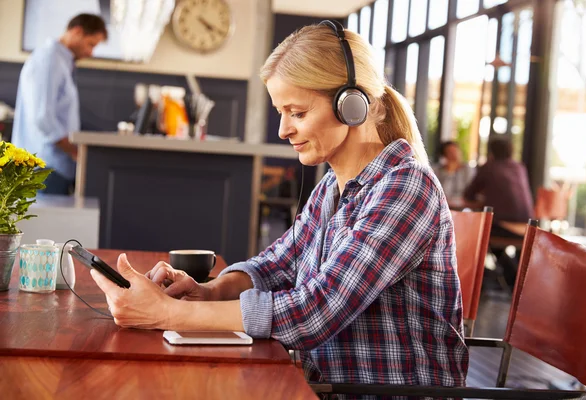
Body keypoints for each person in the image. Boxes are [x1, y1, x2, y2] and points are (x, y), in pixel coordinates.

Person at [90, 21, 468, 392]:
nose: (283, 130)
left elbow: (317, 310)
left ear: (353, 106)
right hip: (321, 385)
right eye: (281, 112)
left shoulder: (406, 186)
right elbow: (276, 266)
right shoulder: (331, 190)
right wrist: (209, 292)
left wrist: (169, 314)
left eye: (298, 113)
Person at [12, 14, 107, 195]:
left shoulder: (62, 61)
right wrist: (76, 152)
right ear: (77, 32)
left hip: (51, 168)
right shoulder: (49, 60)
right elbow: (43, 119)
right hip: (44, 167)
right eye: (91, 44)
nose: (91, 53)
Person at [464, 138, 534, 287]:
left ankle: (497, 280)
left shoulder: (489, 167)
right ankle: (512, 279)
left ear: (492, 152)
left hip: (504, 225)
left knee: (477, 235)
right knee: (492, 240)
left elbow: (469, 194)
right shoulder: (519, 167)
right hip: (528, 226)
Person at [433, 141, 474, 206]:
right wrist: (450, 172)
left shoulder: (467, 170)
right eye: (450, 152)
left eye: (456, 151)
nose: (454, 154)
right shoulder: (437, 170)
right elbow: (444, 193)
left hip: (462, 206)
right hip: (443, 206)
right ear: (444, 156)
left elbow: (471, 191)